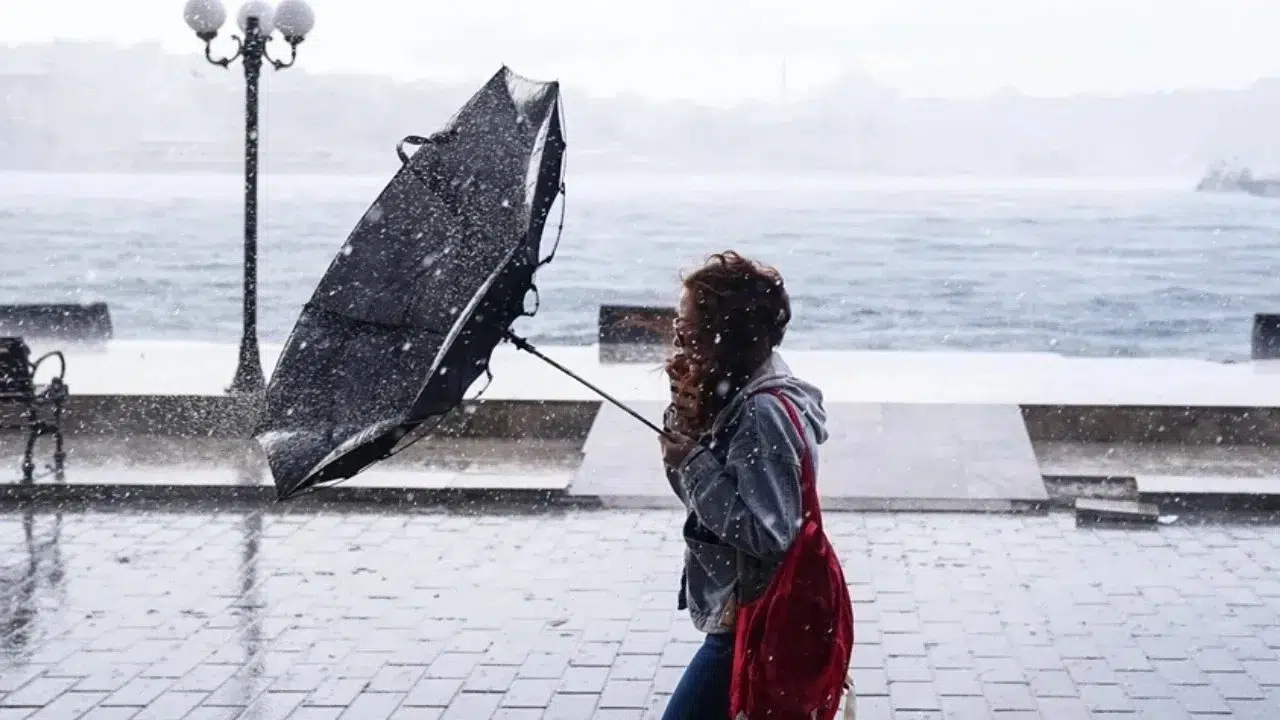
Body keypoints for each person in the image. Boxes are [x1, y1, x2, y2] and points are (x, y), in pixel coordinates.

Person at [658, 250, 831, 720]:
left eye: (688, 331)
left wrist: (692, 461)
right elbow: (703, 503)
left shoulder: (762, 413)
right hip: (751, 614)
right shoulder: (739, 394)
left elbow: (768, 533)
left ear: (724, 337)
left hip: (754, 617)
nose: (679, 342)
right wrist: (688, 422)